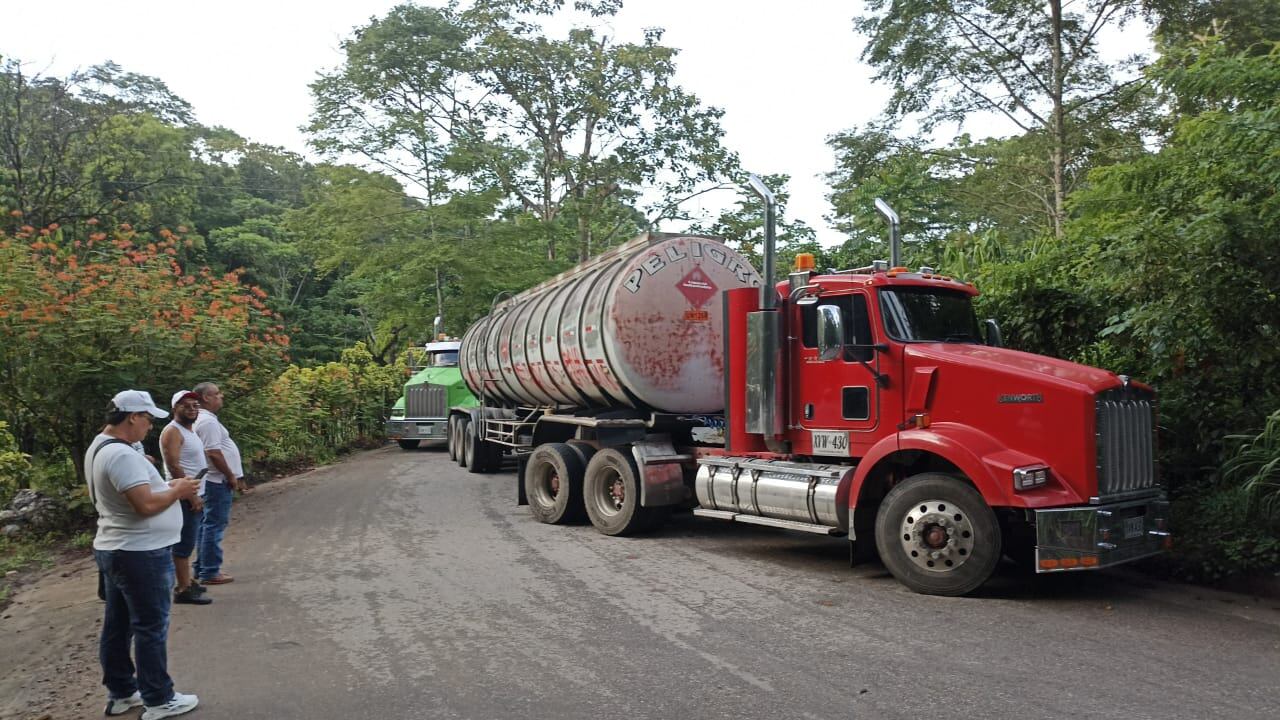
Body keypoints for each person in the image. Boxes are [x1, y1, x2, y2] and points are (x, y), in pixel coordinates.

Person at [87, 390, 201, 720]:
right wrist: (179, 490)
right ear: (132, 417)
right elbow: (145, 505)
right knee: (150, 627)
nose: (150, 426)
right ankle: (159, 698)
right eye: (148, 419)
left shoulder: (102, 446)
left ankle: (122, 692)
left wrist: (159, 480)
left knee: (119, 625)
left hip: (117, 547)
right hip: (139, 552)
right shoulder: (120, 455)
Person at [191, 382, 247, 585]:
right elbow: (213, 452)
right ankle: (210, 571)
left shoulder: (204, 420)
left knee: (207, 525)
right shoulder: (207, 422)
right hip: (216, 480)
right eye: (217, 393)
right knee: (213, 525)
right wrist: (230, 475)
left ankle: (202, 567)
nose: (221, 396)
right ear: (206, 397)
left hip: (213, 480)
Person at [159, 390, 211, 605]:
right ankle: (183, 589)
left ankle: (187, 581)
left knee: (188, 541)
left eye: (195, 405)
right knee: (183, 544)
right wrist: (191, 495)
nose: (191, 408)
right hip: (183, 496)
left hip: (193, 493)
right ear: (175, 408)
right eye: (185, 405)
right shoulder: (172, 431)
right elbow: (173, 465)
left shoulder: (189, 430)